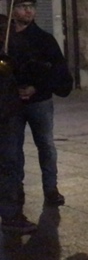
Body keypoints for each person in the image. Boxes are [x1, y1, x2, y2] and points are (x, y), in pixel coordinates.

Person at [8, 0, 73, 208]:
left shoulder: (44, 39)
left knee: (45, 145)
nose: (28, 11)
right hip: (12, 102)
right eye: (22, 7)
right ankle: (15, 189)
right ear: (12, 10)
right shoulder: (5, 38)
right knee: (13, 148)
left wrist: (36, 87)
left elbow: (58, 71)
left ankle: (51, 189)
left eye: (31, 7)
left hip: (39, 101)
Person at [0, 13, 35, 234]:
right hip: (6, 110)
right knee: (9, 164)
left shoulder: (13, 42)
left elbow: (24, 67)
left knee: (11, 163)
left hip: (8, 110)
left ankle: (13, 213)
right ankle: (11, 213)